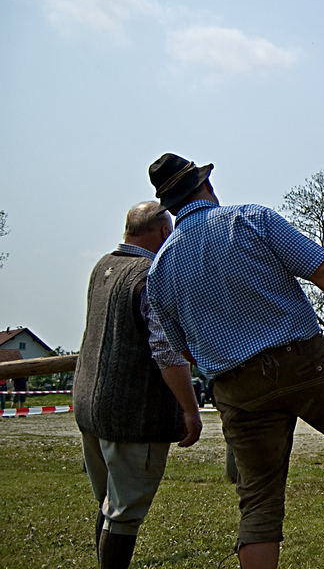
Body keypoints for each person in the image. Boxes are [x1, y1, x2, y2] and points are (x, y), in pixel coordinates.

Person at [145, 154, 324, 569]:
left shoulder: (158, 272)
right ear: (206, 186)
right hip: (304, 360)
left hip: (237, 385)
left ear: (170, 208)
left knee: (260, 503)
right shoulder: (250, 219)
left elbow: (184, 349)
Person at [73, 201, 203, 569]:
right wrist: (189, 409)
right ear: (164, 232)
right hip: (132, 413)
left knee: (110, 505)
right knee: (125, 513)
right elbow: (166, 352)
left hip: (91, 408)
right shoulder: (150, 275)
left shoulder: (103, 267)